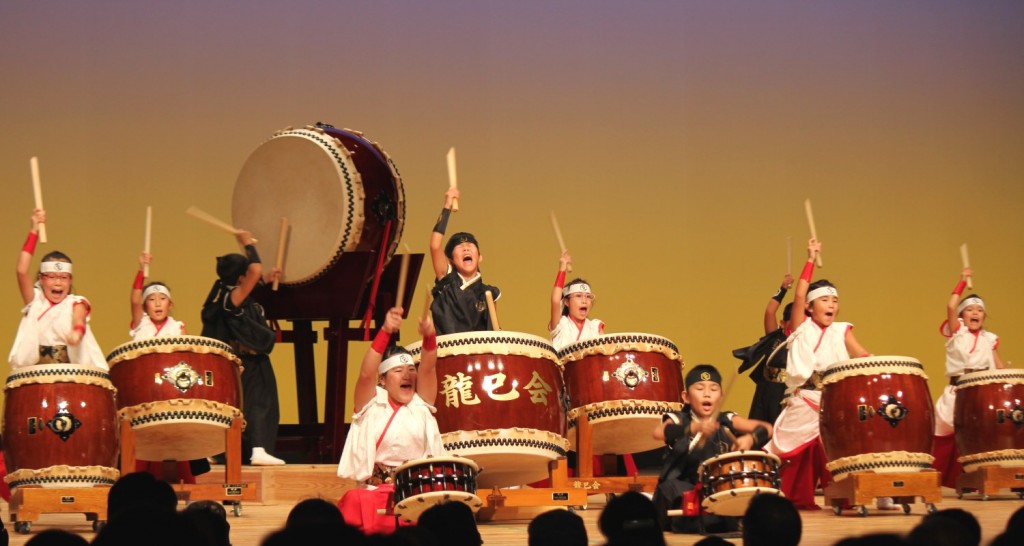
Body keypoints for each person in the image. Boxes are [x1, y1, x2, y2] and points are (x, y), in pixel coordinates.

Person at [765, 237, 871, 510]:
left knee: (841, 452)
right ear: (811, 307)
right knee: (792, 451)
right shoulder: (802, 327)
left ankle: (847, 496)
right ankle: (783, 496)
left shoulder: (842, 329)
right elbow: (799, 295)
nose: (831, 304)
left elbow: (861, 354)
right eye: (824, 299)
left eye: (835, 300)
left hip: (835, 399)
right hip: (805, 398)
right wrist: (810, 258)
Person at [336, 306, 444, 534]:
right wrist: (385, 330)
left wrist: (429, 336)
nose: (407, 375)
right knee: (355, 501)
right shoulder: (371, 404)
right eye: (398, 371)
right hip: (374, 492)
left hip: (416, 491)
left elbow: (429, 367)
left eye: (410, 369)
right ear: (383, 380)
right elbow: (365, 374)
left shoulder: (420, 403)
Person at [651, 364, 773, 534]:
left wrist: (750, 438)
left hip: (717, 487)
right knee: (671, 490)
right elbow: (658, 433)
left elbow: (767, 428)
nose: (707, 393)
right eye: (699, 388)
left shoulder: (726, 419)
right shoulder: (680, 419)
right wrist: (694, 428)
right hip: (684, 487)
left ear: (721, 397)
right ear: (686, 397)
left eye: (714, 389)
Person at [200, 230, 284, 466]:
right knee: (260, 403)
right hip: (249, 361)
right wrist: (247, 244)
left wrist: (266, 279)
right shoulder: (233, 298)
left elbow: (255, 277)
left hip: (239, 361)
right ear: (240, 278)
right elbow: (255, 270)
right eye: (246, 274)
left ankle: (219, 451)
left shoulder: (226, 297)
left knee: (237, 406)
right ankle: (258, 449)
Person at [128, 251, 200, 482]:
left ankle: (187, 487)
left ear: (170, 305)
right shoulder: (141, 324)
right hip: (144, 390)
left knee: (177, 435)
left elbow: (187, 360)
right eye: (152, 299)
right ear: (146, 305)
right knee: (142, 435)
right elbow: (133, 299)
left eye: (162, 299)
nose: (157, 303)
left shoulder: (178, 328)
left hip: (171, 392)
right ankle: (136, 485)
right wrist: (141, 269)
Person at [931, 267, 1005, 488]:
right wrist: (961, 282)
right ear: (962, 315)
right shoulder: (957, 333)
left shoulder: (989, 339)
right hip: (958, 391)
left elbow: (999, 367)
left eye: (979, 310)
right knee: (944, 433)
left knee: (980, 436)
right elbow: (950, 305)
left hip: (982, 392)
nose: (975, 313)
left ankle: (978, 479)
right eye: (970, 309)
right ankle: (935, 477)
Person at [10, 208, 106, 371]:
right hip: (35, 374)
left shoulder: (75, 302)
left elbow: (79, 319)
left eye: (63, 278)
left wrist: (76, 333)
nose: (58, 283)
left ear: (70, 281)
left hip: (71, 374)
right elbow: (21, 271)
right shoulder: (35, 302)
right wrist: (34, 230)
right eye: (52, 277)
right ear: (41, 279)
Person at [428, 187, 500, 335]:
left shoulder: (488, 293)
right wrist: (447, 206)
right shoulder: (447, 281)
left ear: (480, 257)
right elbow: (435, 245)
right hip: (447, 353)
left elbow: (493, 330)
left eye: (470, 246)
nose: (466, 249)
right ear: (451, 260)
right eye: (460, 247)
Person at [732, 273, 795, 433]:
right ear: (783, 323)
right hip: (765, 390)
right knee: (758, 432)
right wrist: (783, 289)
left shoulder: (806, 341)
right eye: (793, 320)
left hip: (787, 392)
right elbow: (769, 312)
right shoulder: (775, 337)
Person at [548, 251, 604, 350]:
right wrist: (562, 269)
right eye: (578, 296)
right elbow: (556, 301)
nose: (584, 300)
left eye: (588, 296)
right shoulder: (561, 325)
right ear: (566, 302)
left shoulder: (595, 327)